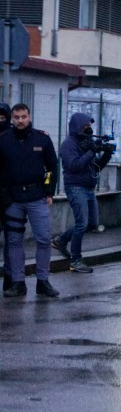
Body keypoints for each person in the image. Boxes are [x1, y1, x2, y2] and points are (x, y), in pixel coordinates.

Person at [0, 103, 60, 298]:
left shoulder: (42, 139)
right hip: (13, 200)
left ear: (29, 116)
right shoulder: (3, 140)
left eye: (23, 117)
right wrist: (4, 194)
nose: (20, 121)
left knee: (43, 239)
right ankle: (18, 283)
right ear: (12, 119)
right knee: (14, 241)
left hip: (37, 197)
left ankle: (43, 281)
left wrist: (49, 191)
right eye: (16, 117)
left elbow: (52, 166)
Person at [52, 113, 114, 274]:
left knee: (92, 223)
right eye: (85, 126)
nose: (88, 129)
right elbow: (74, 166)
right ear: (76, 126)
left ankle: (61, 240)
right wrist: (92, 151)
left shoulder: (87, 142)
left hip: (88, 188)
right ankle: (76, 260)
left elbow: (97, 167)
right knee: (82, 223)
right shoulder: (68, 145)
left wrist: (106, 153)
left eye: (89, 126)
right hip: (76, 187)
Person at [0, 103, 11, 291]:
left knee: (12, 240)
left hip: (11, 197)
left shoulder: (13, 138)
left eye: (3, 118)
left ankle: (10, 278)